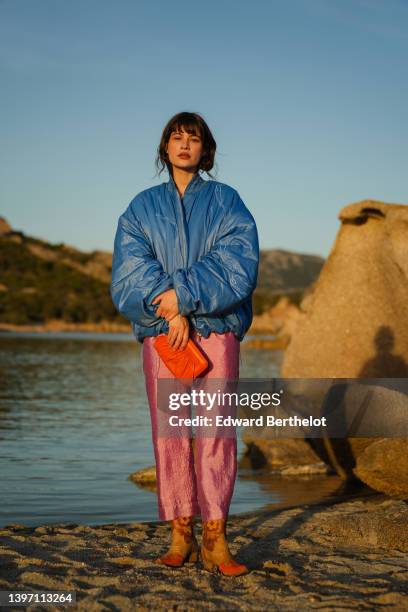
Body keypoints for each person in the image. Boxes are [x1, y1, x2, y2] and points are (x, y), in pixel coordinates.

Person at [111, 111, 259, 576]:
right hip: (164, 335)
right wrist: (168, 309)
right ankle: (180, 534)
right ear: (164, 147)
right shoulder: (140, 208)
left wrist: (185, 298)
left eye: (193, 138)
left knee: (216, 432)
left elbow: (239, 261)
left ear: (205, 149)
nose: (183, 144)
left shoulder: (227, 202)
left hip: (216, 329)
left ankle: (215, 538)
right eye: (175, 137)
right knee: (171, 432)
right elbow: (129, 270)